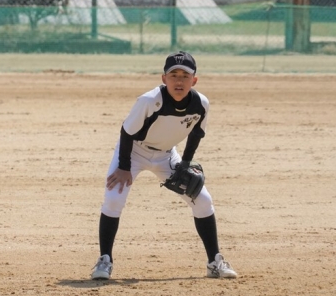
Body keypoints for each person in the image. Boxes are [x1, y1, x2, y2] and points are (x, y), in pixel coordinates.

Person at [90, 51, 237, 280]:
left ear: (194, 80)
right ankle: (104, 260)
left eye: (185, 76)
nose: (179, 81)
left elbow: (197, 134)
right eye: (173, 75)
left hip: (167, 155)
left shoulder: (200, 103)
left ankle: (214, 262)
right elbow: (127, 132)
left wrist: (185, 164)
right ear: (163, 78)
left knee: (203, 200)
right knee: (114, 198)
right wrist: (124, 167)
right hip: (133, 152)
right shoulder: (149, 101)